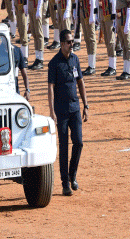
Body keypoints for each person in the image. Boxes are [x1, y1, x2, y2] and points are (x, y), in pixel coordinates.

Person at [47, 29, 88, 197]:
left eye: (73, 42)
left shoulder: (75, 59)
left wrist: (86, 104)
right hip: (61, 111)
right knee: (64, 147)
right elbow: (50, 88)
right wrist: (52, 112)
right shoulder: (54, 63)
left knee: (78, 142)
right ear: (62, 44)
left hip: (75, 108)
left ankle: (73, 175)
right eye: (69, 42)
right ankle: (65, 183)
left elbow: (80, 82)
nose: (72, 45)